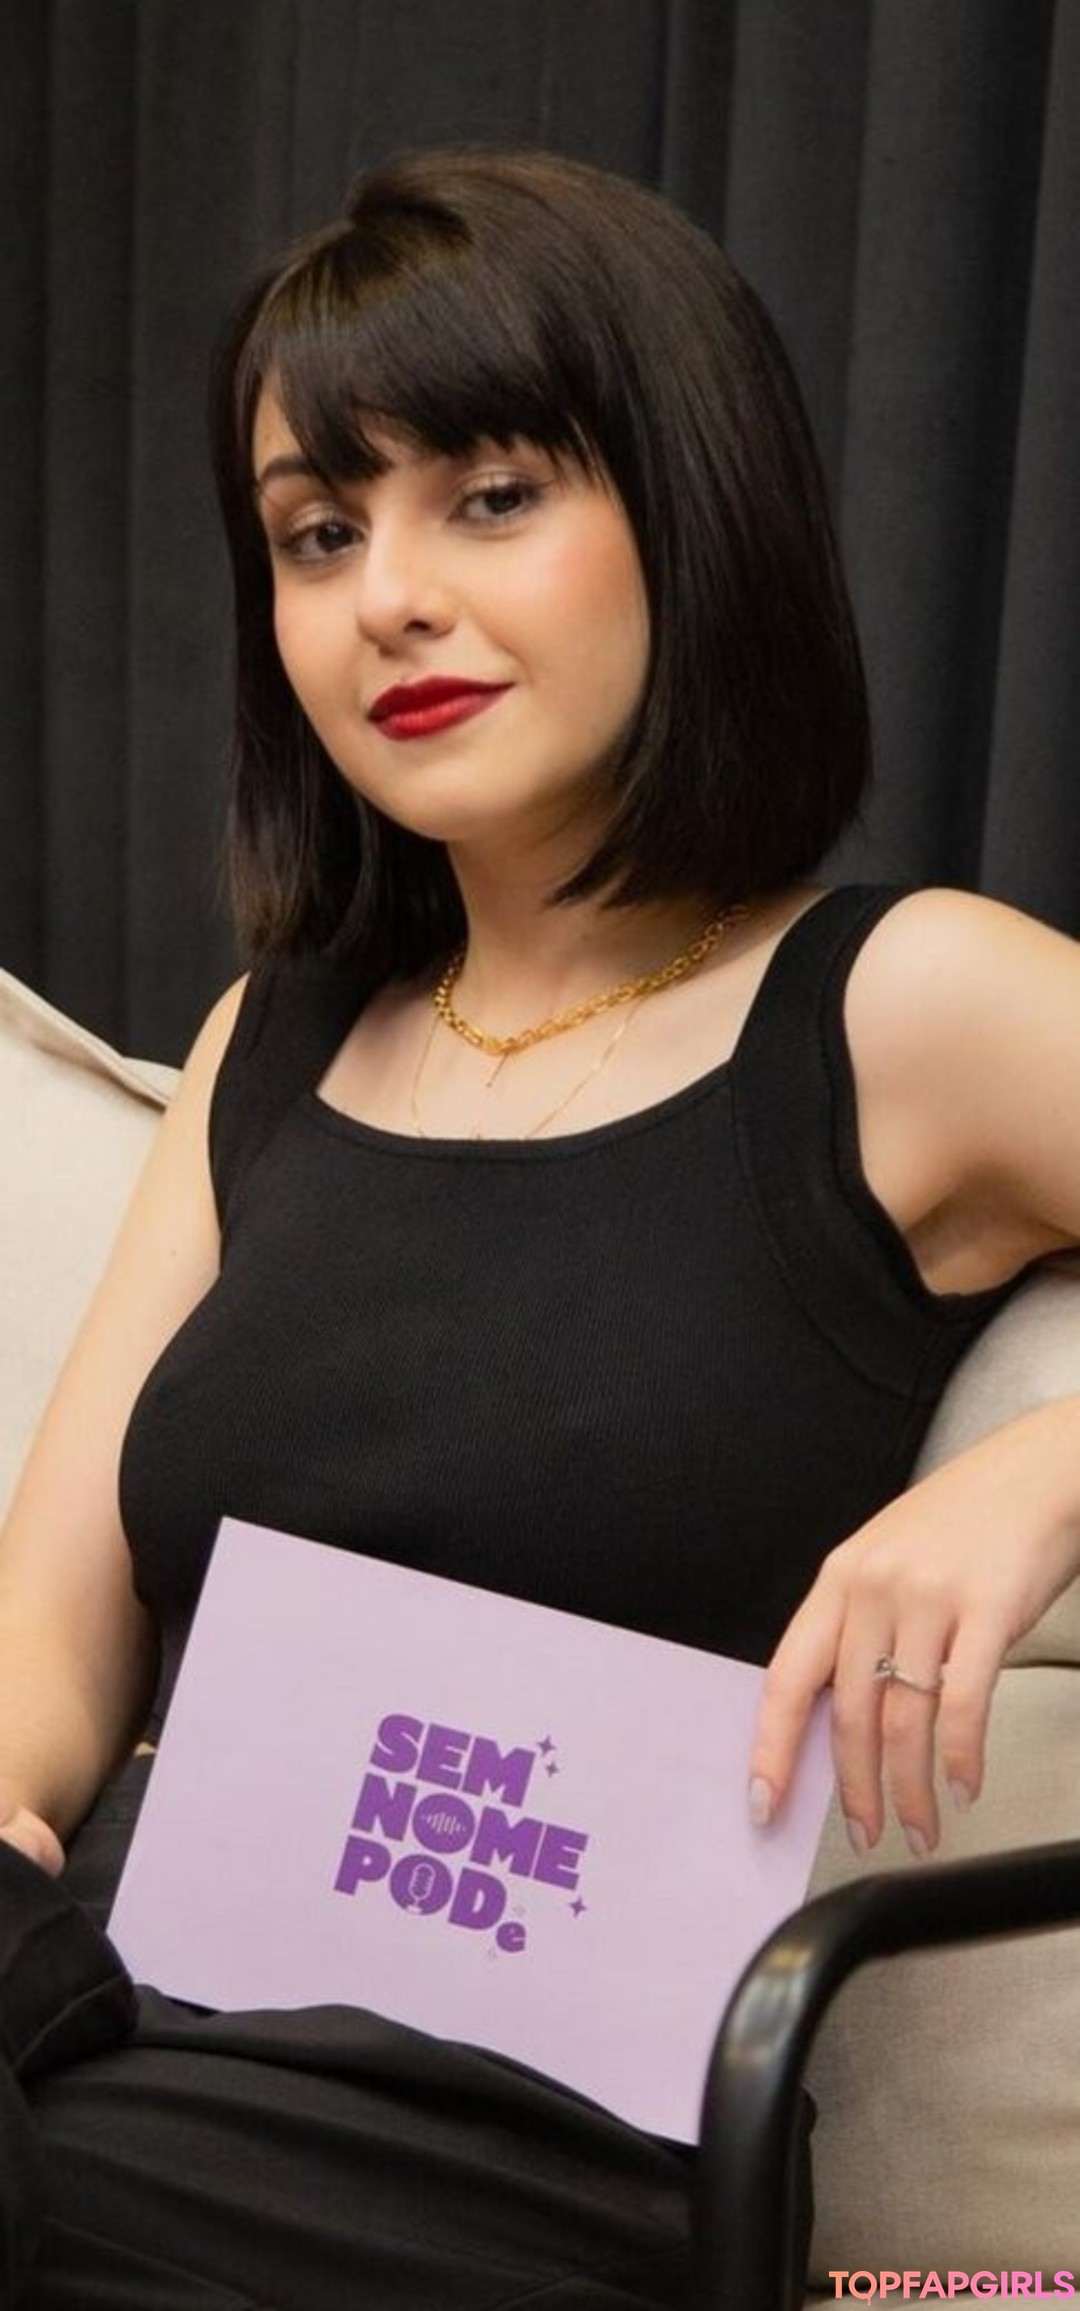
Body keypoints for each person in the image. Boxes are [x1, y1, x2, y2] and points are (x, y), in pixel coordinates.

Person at [1, 145, 1079, 2310]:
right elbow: (49, 1653)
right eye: (319, 532)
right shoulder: (271, 1042)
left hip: (498, 2159)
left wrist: (1049, 1469)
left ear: (689, 509)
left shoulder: (902, 1007)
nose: (386, 597)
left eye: (487, 496)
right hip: (95, 2037)